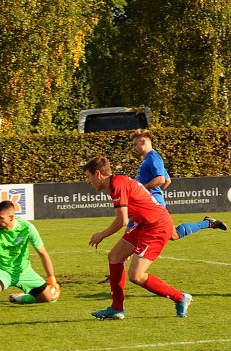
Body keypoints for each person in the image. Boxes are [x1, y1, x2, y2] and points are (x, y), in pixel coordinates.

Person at [98, 129, 226, 283]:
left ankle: (116, 273)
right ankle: (208, 223)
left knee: (131, 233)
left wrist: (142, 193)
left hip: (151, 204)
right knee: (173, 235)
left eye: (135, 144)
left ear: (143, 141)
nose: (134, 148)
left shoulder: (153, 158)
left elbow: (160, 179)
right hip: (152, 202)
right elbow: (168, 180)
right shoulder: (150, 159)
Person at [84, 156, 193, 320]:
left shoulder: (117, 185)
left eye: (88, 177)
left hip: (156, 227)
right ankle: (116, 308)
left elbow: (122, 221)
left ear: (98, 174)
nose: (88, 181)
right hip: (143, 224)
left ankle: (180, 297)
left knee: (136, 276)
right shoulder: (116, 183)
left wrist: (101, 235)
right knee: (115, 256)